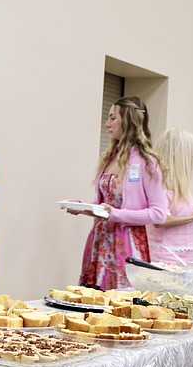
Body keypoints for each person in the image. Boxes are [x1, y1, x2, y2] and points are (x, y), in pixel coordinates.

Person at [69, 96, 167, 289]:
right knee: (93, 300)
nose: (107, 124)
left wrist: (116, 214)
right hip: (100, 242)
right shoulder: (109, 158)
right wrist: (82, 207)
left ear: (128, 120)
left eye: (112, 118)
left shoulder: (147, 162)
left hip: (127, 244)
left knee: (120, 305)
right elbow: (105, 208)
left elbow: (159, 214)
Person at [146, 128, 193, 264]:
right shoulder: (160, 184)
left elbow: (182, 214)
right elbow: (160, 219)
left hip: (185, 256)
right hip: (166, 257)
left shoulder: (181, 187)